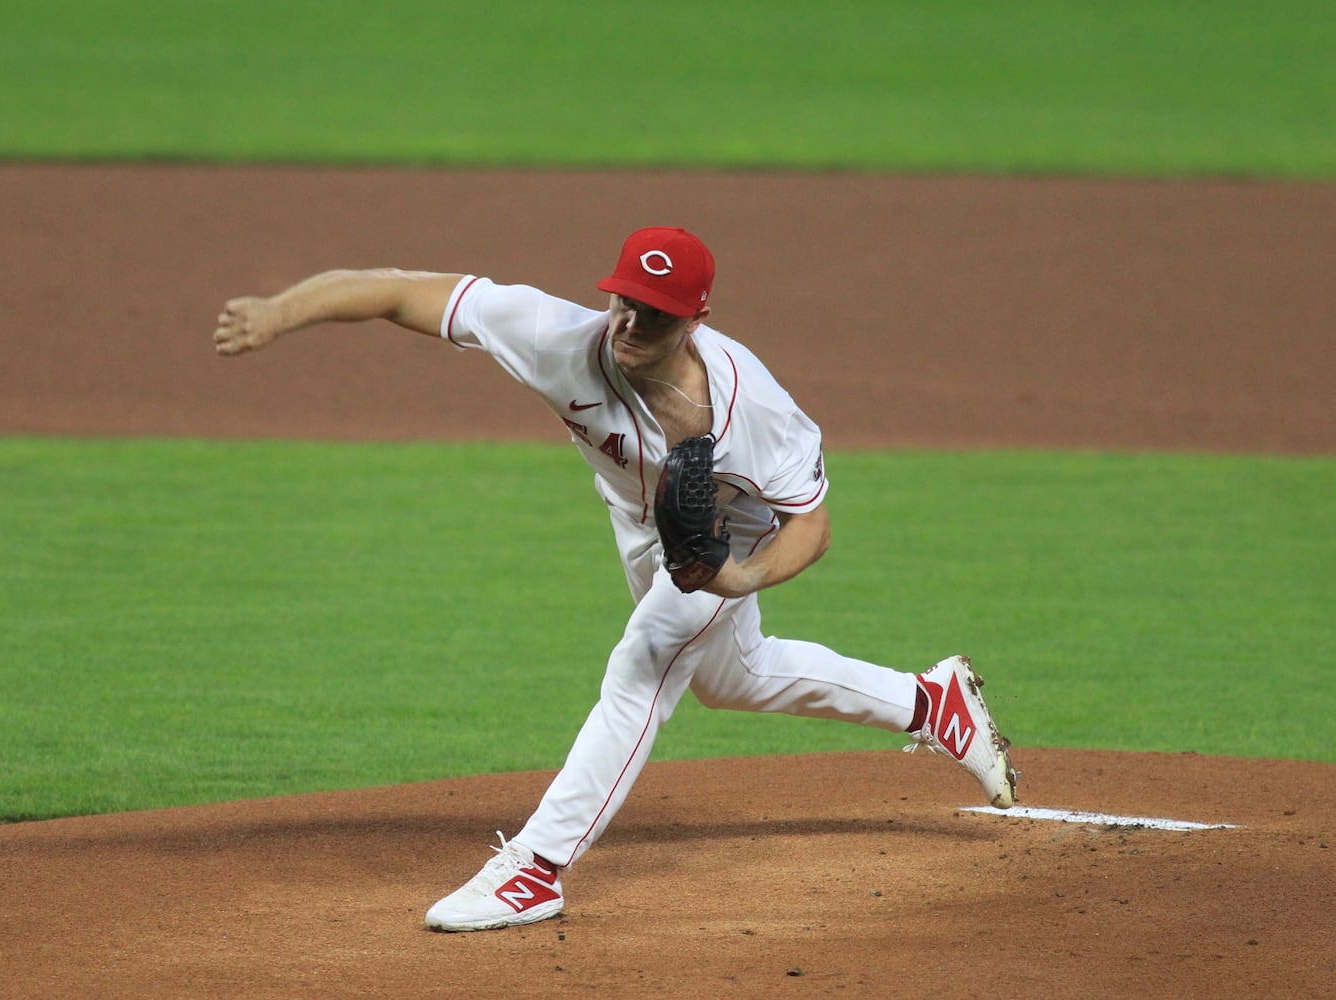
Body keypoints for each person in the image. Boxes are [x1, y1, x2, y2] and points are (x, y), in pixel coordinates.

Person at [212, 226, 1019, 933]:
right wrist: (279, 312)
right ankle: (932, 701)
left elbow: (813, 525)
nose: (630, 324)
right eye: (623, 301)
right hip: (639, 525)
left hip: (727, 535)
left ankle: (537, 868)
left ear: (695, 319)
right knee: (732, 679)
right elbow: (395, 291)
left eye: (655, 314)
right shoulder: (557, 335)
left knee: (644, 664)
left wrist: (737, 578)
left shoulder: (753, 409)